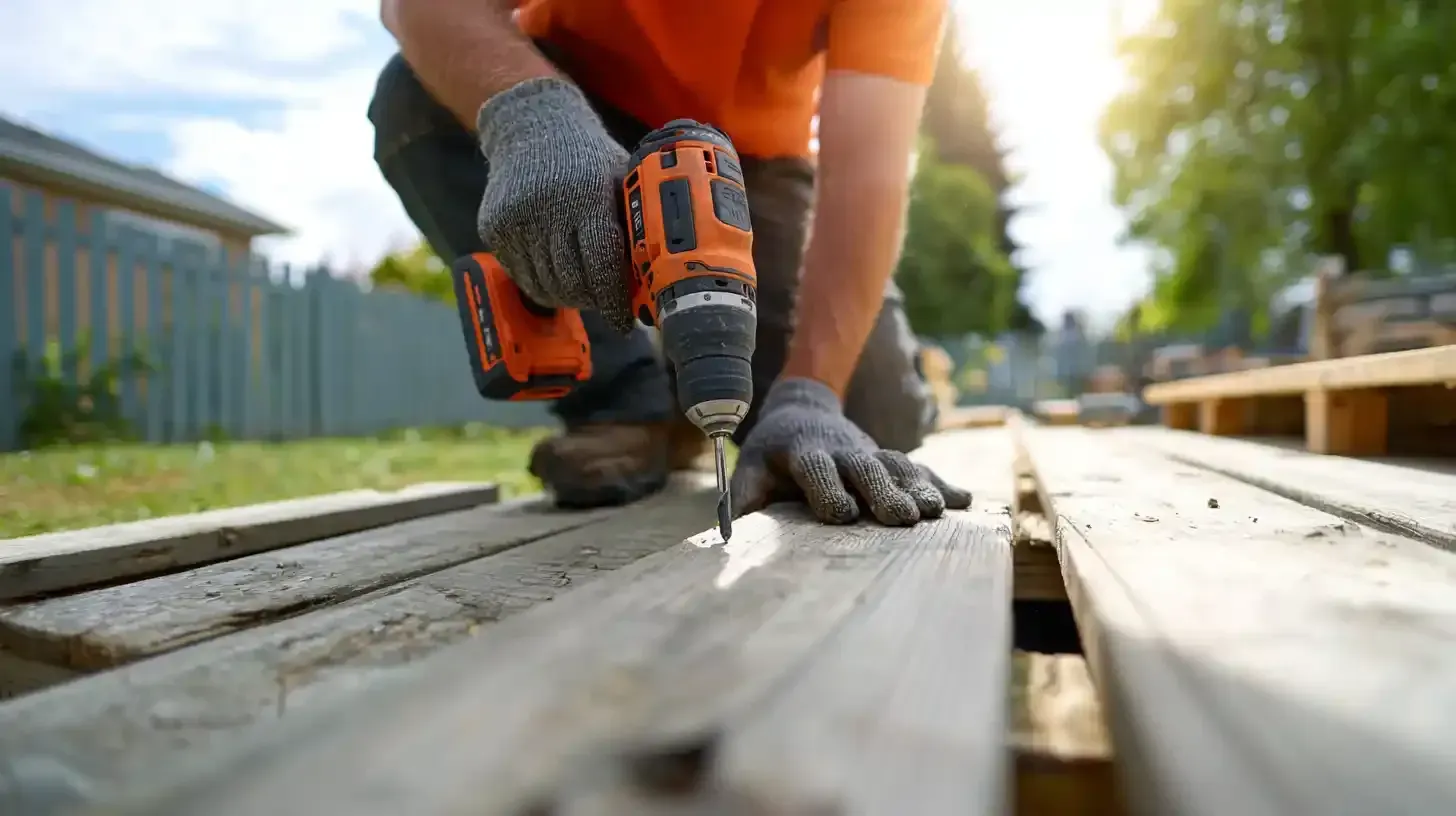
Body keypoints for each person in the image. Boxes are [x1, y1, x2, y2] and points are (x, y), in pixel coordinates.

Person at [372, 0, 972, 526]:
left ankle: (890, 380)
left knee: (876, 420)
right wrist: (528, 114)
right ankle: (627, 404)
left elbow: (866, 171)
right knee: (414, 97)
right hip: (573, 97)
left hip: (756, 161)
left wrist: (812, 391)